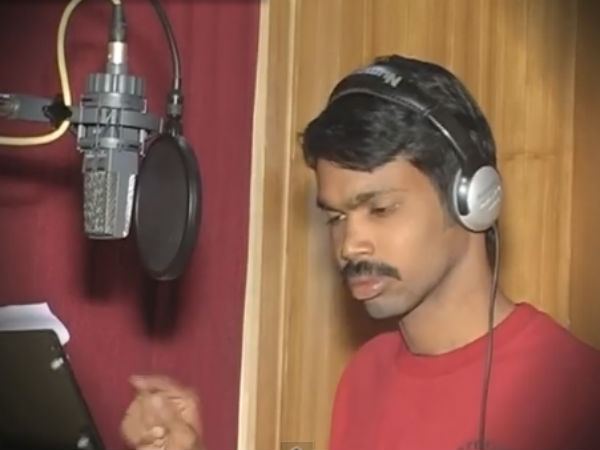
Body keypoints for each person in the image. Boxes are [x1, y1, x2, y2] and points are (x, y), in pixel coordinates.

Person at [120, 55, 600, 450]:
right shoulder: (364, 377)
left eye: (381, 209)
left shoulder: (574, 393)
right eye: (336, 217)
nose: (350, 245)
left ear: (471, 201)